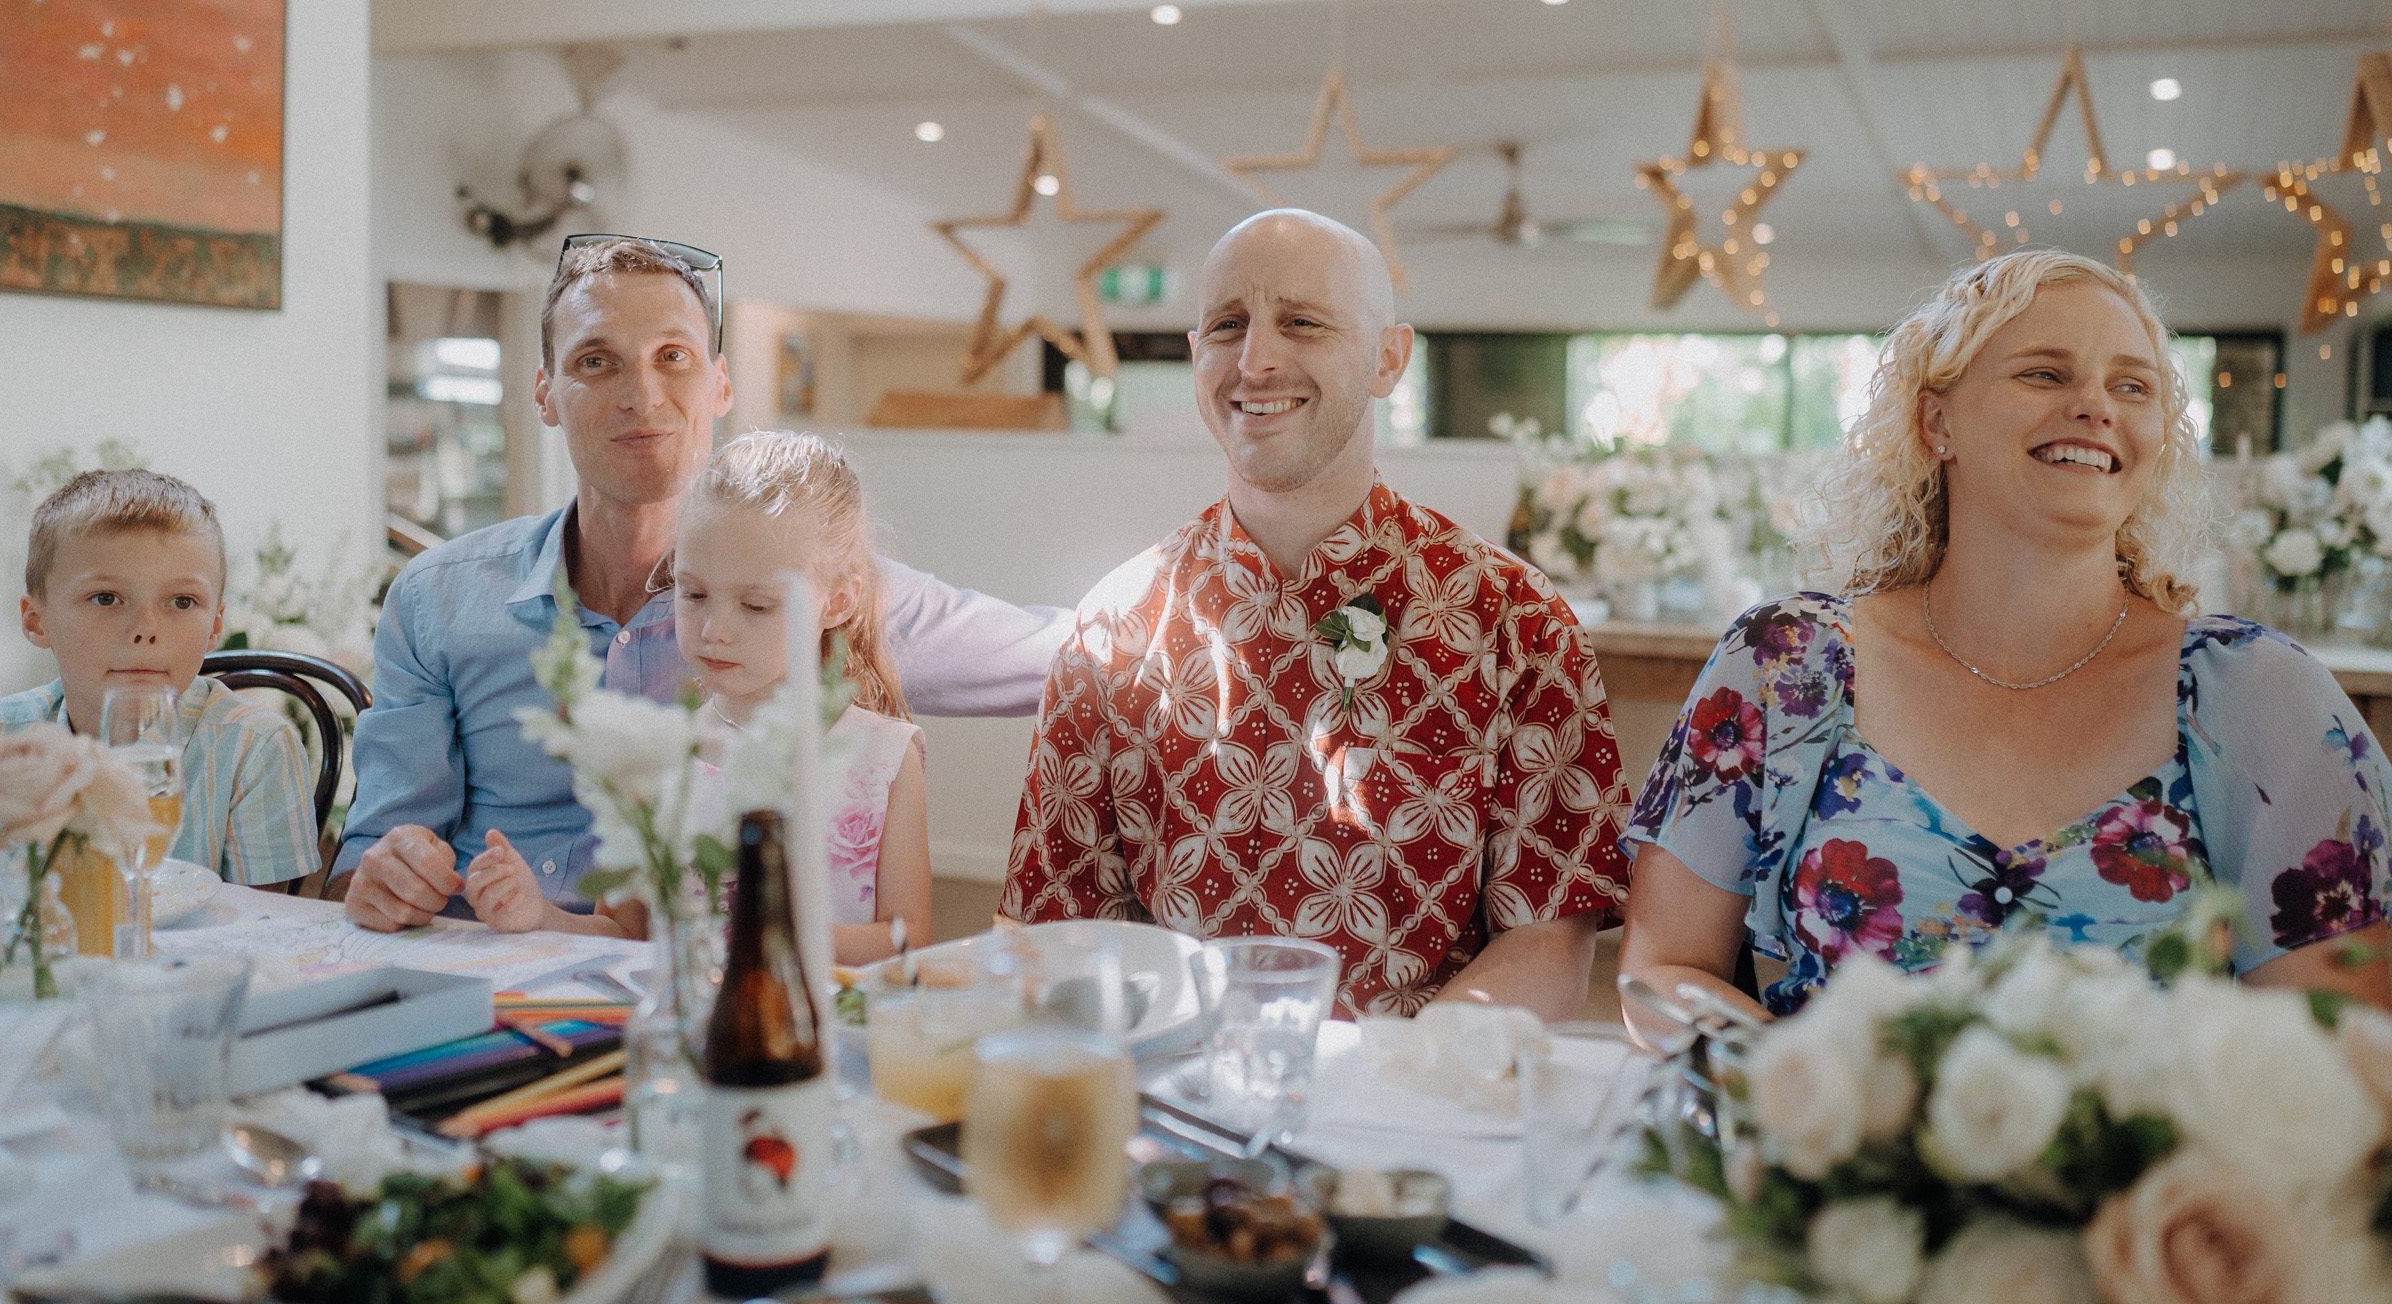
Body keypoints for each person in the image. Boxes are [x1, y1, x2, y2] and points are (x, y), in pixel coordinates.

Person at [1620, 250, 2392, 1025]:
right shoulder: (1785, 663)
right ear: (1937, 420)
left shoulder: (2258, 692)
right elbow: (1662, 971)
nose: (2097, 406)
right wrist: (1805, 1106)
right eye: (2046, 374)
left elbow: (2338, 1043)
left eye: (2133, 385)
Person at [333, 235, 1069, 932]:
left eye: (672, 356)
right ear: (545, 394)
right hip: (488, 990)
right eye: (596, 361)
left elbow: (1072, 654)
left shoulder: (817, 590)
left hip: (710, 993)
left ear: (720, 383)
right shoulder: (436, 598)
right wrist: (388, 875)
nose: (641, 395)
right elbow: (361, 867)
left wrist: (1185, 595)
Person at [1001, 210, 1632, 1021]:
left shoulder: (1518, 621)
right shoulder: (1113, 631)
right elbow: (1057, 927)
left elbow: (1548, 944)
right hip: (1181, 1108)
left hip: (1413, 1116)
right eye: (1228, 326)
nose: (1257, 360)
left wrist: (1383, 1089)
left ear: (1388, 359)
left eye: (1301, 322)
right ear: (1198, 358)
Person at [465, 430, 931, 964]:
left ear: (839, 600)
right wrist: (541, 917)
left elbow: (907, 941)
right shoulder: (661, 754)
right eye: (694, 594)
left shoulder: (885, 756)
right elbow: (627, 934)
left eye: (755, 605)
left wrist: (768, 936)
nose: (714, 631)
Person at [0, 469, 317, 888]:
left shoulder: (254, 748)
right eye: (105, 598)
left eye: (182, 602)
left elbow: (264, 929)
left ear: (215, 625)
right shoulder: (1, 741)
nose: (146, 628)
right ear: (37, 621)